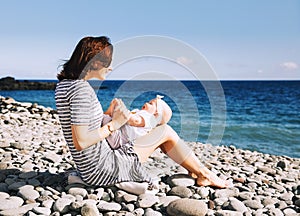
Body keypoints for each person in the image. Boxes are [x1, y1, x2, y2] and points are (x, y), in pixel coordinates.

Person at [55, 36, 232, 193]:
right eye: (108, 64)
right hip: (102, 169)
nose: (110, 68)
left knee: (156, 133)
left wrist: (109, 113)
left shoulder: (66, 85)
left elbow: (83, 124)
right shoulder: (81, 90)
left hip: (90, 166)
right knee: (165, 131)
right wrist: (115, 124)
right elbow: (82, 141)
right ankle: (204, 174)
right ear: (94, 62)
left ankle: (197, 171)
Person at [103, 95, 172, 150]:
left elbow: (135, 121)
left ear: (156, 114)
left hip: (118, 138)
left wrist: (123, 111)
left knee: (105, 117)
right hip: (117, 133)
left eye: (150, 104)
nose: (146, 103)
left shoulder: (149, 119)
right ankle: (107, 114)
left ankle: (105, 115)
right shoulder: (140, 113)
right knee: (112, 109)